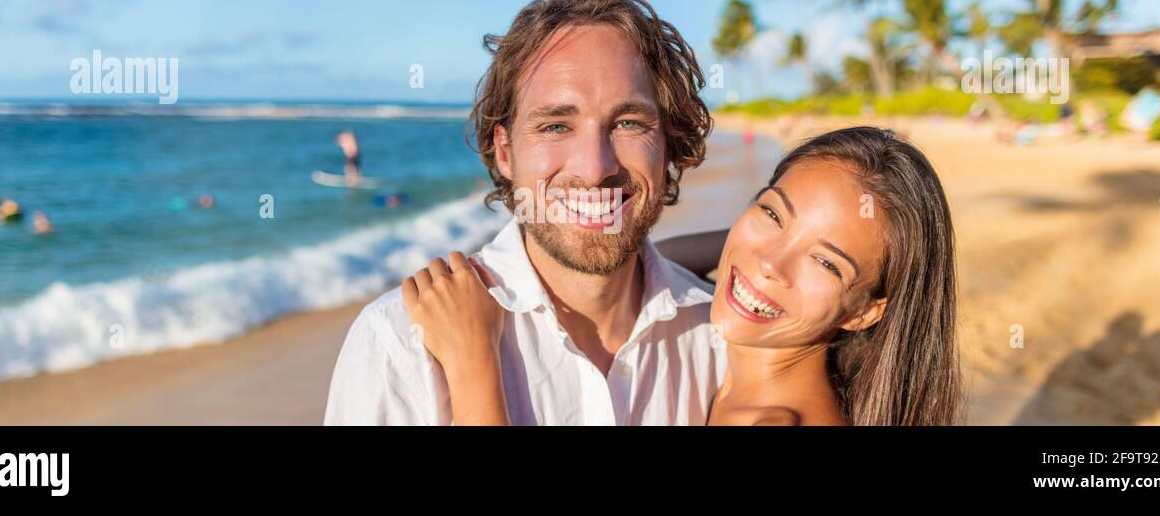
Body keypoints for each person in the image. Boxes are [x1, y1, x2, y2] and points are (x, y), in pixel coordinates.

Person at [324, 0, 717, 425]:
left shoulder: (720, 337)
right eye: (555, 125)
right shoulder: (399, 346)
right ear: (506, 154)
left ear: (668, 145)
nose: (595, 169)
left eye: (627, 123)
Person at [406, 127, 962, 425]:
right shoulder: (748, 376)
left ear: (868, 310)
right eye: (772, 212)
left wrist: (472, 358)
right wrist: (752, 249)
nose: (770, 264)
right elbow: (668, 258)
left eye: (826, 262)